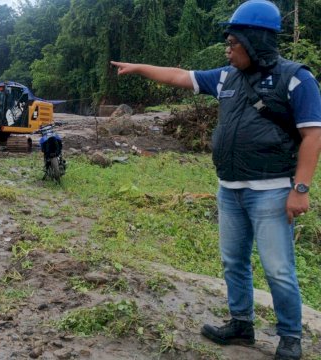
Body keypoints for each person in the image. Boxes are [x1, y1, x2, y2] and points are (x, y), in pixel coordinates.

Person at [111, 1, 321, 359]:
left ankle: (289, 337)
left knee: (278, 269)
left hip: (271, 192)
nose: (228, 48)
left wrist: (300, 189)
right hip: (230, 190)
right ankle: (241, 323)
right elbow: (181, 75)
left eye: (233, 41)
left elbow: (313, 135)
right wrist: (140, 68)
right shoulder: (226, 76)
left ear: (254, 41)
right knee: (233, 262)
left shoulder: (296, 78)